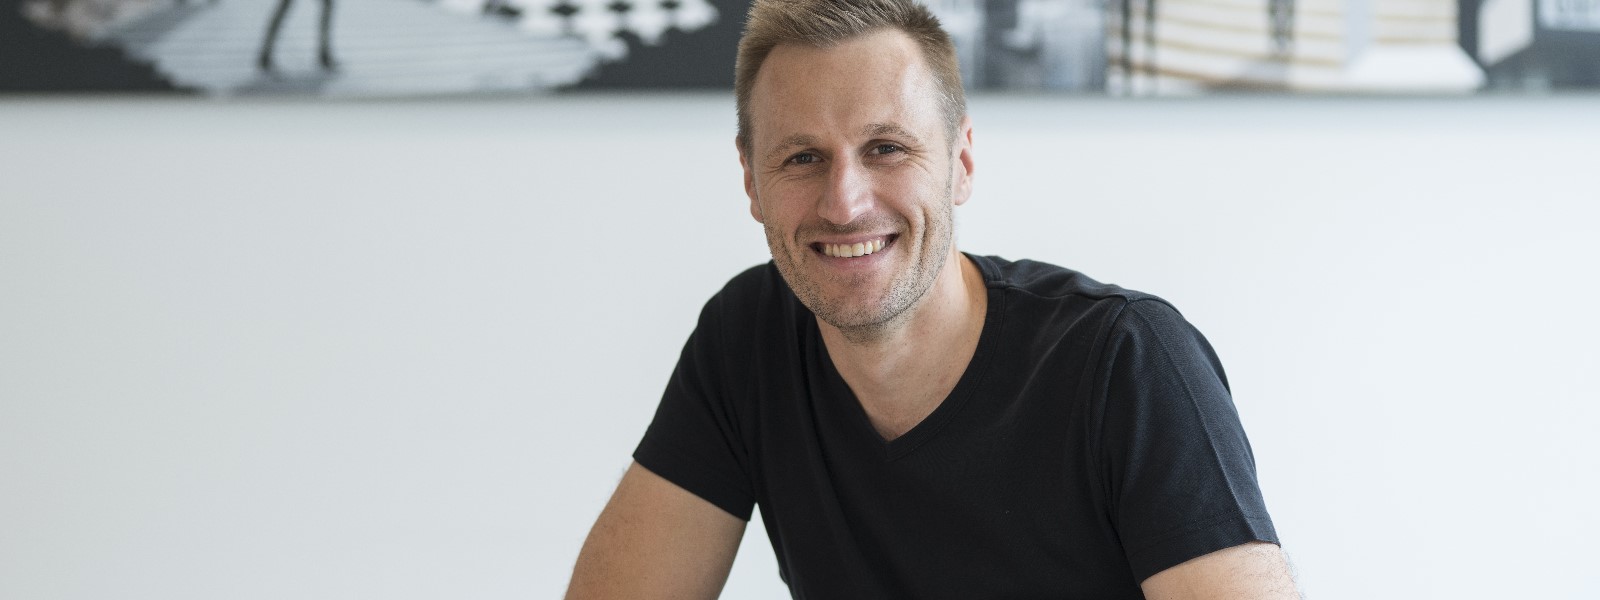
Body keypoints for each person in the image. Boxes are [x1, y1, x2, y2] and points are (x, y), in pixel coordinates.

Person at [566, 0, 1297, 597]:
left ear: (961, 161)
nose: (845, 204)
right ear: (751, 181)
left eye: (886, 148)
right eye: (802, 157)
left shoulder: (1127, 360)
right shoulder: (747, 338)